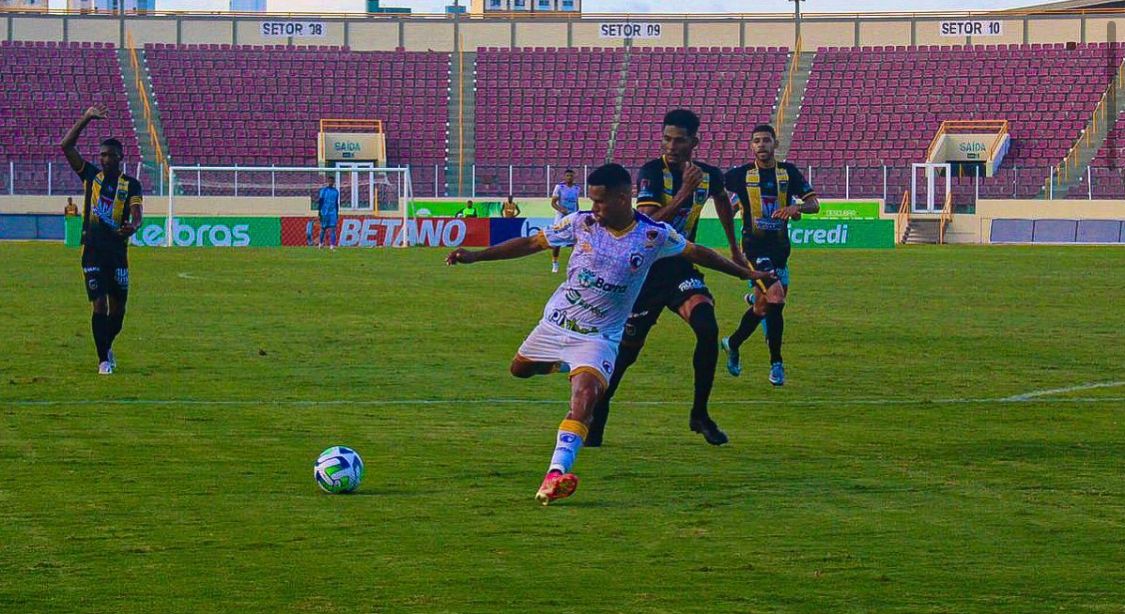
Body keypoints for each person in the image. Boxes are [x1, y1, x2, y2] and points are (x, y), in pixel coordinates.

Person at [445, 164, 772, 505]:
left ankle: (554, 475)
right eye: (592, 200)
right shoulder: (581, 223)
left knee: (584, 400)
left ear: (622, 198)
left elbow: (700, 253)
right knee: (519, 369)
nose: (594, 207)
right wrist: (475, 257)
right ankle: (562, 365)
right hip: (557, 322)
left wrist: (744, 273)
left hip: (599, 337)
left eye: (600, 201)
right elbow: (529, 243)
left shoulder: (652, 235)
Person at [587, 109, 746, 448]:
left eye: (680, 140)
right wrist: (683, 195)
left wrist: (734, 247)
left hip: (679, 269)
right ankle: (597, 416)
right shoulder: (652, 173)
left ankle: (699, 414)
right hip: (642, 275)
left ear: (694, 142)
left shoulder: (707, 175)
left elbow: (720, 198)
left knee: (707, 327)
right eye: (667, 139)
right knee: (626, 355)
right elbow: (646, 226)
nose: (672, 146)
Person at [722, 124, 819, 386]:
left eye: (766, 140)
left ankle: (732, 342)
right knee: (776, 296)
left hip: (780, 250)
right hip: (753, 249)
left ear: (775, 144)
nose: (761, 145)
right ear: (751, 146)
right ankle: (777, 364)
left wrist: (795, 207)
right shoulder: (740, 175)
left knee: (763, 306)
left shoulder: (788, 173)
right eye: (757, 141)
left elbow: (814, 204)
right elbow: (718, 195)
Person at [60, 104, 143, 375]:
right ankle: (103, 361)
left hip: (117, 254)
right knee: (99, 304)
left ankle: (106, 347)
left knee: (118, 311)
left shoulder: (131, 184)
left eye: (109, 155)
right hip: (93, 252)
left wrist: (134, 225)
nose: (104, 159)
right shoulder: (90, 176)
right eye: (101, 155)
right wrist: (85, 117)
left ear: (119, 157)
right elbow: (66, 145)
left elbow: (137, 212)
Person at [549, 169, 581, 273]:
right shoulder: (559, 187)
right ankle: (555, 263)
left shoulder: (577, 188)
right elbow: (553, 203)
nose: (569, 178)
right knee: (557, 241)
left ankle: (573, 264)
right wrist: (561, 209)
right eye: (567, 176)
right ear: (564, 177)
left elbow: (576, 203)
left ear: (574, 177)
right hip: (561, 217)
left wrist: (578, 213)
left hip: (573, 217)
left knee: (574, 242)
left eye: (571, 176)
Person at [316, 176, 340, 249]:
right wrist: (319, 212)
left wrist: (337, 213)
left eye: (332, 181)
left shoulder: (336, 191)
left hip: (333, 212)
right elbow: (320, 202)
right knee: (323, 228)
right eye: (329, 181)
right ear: (327, 181)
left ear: (333, 182)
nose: (331, 182)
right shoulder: (323, 191)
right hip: (324, 212)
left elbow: (336, 203)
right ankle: (320, 244)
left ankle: (332, 245)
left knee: (333, 229)